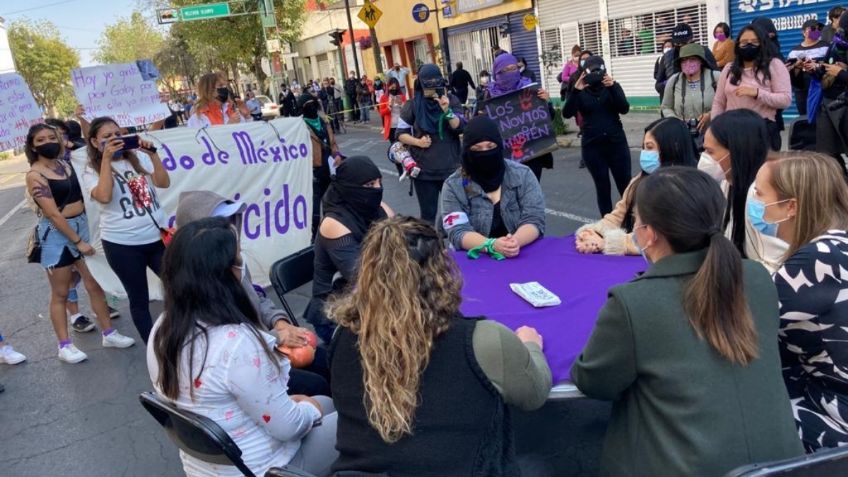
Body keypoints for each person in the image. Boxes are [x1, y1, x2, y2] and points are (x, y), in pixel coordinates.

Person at [572, 167, 804, 476]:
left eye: (637, 221)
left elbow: (594, 381)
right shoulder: (757, 278)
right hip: (785, 463)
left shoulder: (633, 303)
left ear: (649, 233)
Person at [328, 216, 551, 475]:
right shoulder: (482, 341)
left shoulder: (340, 338)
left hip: (362, 472)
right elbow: (534, 393)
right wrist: (530, 347)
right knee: (540, 464)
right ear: (441, 271)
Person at [147, 217, 337, 477]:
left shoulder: (161, 328)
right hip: (264, 467)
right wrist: (308, 408)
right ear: (223, 275)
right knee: (354, 421)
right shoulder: (236, 343)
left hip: (207, 464)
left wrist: (301, 407)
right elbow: (288, 428)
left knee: (325, 402)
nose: (242, 267)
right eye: (238, 261)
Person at [174, 191, 331, 396]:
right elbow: (229, 345)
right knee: (317, 386)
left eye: (231, 220)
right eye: (220, 222)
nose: (230, 227)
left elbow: (258, 299)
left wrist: (279, 322)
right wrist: (276, 337)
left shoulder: (234, 261)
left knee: (330, 362)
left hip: (267, 344)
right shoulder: (196, 288)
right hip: (247, 362)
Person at [751, 153, 848, 451]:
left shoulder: (815, 260)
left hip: (836, 412)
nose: (753, 201)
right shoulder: (834, 246)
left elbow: (749, 326)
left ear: (791, 207)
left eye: (759, 193)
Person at [26, 124, 136, 362]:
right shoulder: (35, 175)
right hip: (57, 233)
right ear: (32, 147)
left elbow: (91, 150)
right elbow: (53, 214)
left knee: (94, 283)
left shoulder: (66, 164)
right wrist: (77, 241)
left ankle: (109, 332)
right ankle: (64, 346)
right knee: (61, 292)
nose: (47, 142)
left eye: (51, 137)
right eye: (41, 140)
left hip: (82, 225)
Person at [81, 117, 171, 344]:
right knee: (139, 298)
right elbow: (104, 196)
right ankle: (155, 350)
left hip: (156, 237)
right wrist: (107, 160)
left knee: (179, 285)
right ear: (94, 142)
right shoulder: (90, 170)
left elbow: (163, 183)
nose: (114, 139)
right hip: (123, 245)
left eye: (117, 134)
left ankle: (181, 333)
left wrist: (153, 155)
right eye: (107, 137)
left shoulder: (137, 158)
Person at [575, 118, 695, 255]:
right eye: (643, 147)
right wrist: (592, 232)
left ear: (673, 148)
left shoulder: (683, 189)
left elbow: (656, 238)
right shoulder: (639, 181)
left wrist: (607, 243)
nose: (645, 153)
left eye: (650, 147)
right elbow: (617, 215)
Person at [304, 156, 392, 344]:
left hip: (376, 299)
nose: (377, 189)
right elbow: (363, 275)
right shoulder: (333, 223)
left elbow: (405, 245)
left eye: (379, 182)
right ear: (350, 187)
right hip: (336, 309)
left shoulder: (380, 208)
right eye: (369, 185)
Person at [439, 116, 545, 257]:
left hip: (520, 254)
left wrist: (514, 242)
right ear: (466, 150)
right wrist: (491, 245)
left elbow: (534, 218)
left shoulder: (523, 175)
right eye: (477, 148)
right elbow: (457, 231)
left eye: (490, 147)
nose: (485, 153)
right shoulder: (452, 186)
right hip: (475, 261)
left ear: (499, 146)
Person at [701, 109, 787, 273]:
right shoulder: (728, 184)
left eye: (710, 152)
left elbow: (775, 264)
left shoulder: (761, 196)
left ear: (737, 150)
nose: (704, 158)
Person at [563, 55, 632, 216]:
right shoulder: (580, 91)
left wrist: (613, 86)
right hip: (593, 147)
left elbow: (624, 108)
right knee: (603, 188)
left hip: (616, 144)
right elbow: (567, 113)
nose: (595, 74)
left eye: (598, 70)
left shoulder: (612, 86)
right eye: (591, 71)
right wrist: (576, 90)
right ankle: (607, 226)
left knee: (626, 186)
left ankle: (631, 223)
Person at [397, 64, 465, 224]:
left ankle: (459, 246)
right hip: (424, 171)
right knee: (428, 215)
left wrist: (447, 110)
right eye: (428, 83)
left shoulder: (452, 100)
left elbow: (460, 127)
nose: (433, 87)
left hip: (451, 168)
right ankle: (431, 248)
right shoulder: (412, 105)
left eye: (436, 82)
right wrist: (418, 142)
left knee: (458, 214)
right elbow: (400, 134)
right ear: (420, 83)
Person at [712, 24, 792, 151]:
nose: (749, 46)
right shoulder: (729, 68)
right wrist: (715, 128)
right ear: (737, 45)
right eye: (744, 42)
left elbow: (785, 100)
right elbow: (719, 102)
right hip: (732, 131)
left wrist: (758, 93)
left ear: (763, 43)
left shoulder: (774, 65)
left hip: (762, 131)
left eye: (754, 42)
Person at [483, 52, 554, 181]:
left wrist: (547, 102)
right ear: (496, 73)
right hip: (505, 156)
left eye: (514, 68)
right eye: (505, 70)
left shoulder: (530, 88)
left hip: (532, 154)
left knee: (531, 195)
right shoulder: (489, 95)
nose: (511, 72)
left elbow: (548, 117)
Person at [661, 43, 720, 151]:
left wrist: (710, 115)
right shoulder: (674, 80)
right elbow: (665, 107)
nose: (688, 63)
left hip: (713, 135)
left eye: (692, 59)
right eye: (684, 60)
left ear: (701, 61)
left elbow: (727, 104)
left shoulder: (715, 77)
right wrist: (676, 120)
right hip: (682, 137)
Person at [298, 93, 340, 240]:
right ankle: (313, 241)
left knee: (332, 207)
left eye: (313, 103)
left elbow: (332, 141)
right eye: (307, 104)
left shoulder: (323, 121)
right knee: (314, 213)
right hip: (313, 172)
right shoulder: (299, 126)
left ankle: (332, 235)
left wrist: (337, 155)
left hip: (329, 169)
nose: (311, 106)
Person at [811, 11, 848, 170]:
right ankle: (839, 185)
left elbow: (839, 73)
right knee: (827, 153)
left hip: (844, 104)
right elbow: (827, 66)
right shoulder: (836, 43)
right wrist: (816, 69)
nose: (841, 31)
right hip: (828, 102)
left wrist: (841, 73)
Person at [655, 23, 719, 100]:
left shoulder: (703, 51)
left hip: (701, 102)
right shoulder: (667, 57)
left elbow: (717, 78)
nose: (681, 46)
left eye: (684, 43)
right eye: (678, 43)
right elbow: (658, 85)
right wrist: (669, 84)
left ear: (692, 40)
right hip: (675, 104)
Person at [788, 19, 830, 116]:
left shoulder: (826, 47)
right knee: (805, 117)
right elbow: (789, 74)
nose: (816, 31)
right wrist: (797, 66)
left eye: (818, 29)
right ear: (803, 32)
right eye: (812, 28)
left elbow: (831, 65)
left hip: (821, 87)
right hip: (802, 91)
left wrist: (818, 65)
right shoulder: (794, 51)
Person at [378, 78, 407, 153]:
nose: (394, 89)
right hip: (391, 127)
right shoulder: (384, 98)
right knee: (395, 148)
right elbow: (381, 112)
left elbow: (407, 111)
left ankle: (407, 162)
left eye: (395, 88)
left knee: (404, 147)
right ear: (388, 87)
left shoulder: (402, 96)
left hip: (401, 125)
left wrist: (402, 104)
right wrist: (389, 107)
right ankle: (398, 164)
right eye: (392, 88)